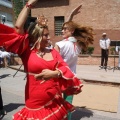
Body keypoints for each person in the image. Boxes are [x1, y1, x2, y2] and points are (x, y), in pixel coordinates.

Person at [0, 0, 83, 119]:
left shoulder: (53, 52)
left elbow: (65, 68)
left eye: (49, 35)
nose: (49, 38)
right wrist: (29, 4)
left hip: (54, 99)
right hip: (34, 102)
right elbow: (18, 28)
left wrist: (54, 73)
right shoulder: (26, 52)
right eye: (46, 35)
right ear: (37, 36)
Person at [54, 6, 94, 120]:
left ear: (71, 31)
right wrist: (71, 15)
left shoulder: (60, 44)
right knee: (68, 102)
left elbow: (52, 63)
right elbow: (70, 27)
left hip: (59, 77)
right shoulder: (79, 45)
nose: (62, 31)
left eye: (64, 29)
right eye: (62, 29)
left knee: (56, 102)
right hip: (71, 78)